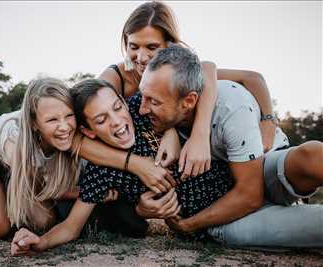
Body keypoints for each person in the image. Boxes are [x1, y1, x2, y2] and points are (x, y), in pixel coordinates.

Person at [10, 78, 234, 256]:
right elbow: (71, 227)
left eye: (117, 107)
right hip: (213, 224)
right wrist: (40, 242)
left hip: (237, 181)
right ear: (88, 132)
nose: (117, 121)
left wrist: (170, 131)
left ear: (124, 101)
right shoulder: (100, 173)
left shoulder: (140, 108)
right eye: (101, 120)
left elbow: (195, 79)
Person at [138, 44, 323, 247]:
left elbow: (250, 195)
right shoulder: (161, 98)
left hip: (262, 166)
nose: (142, 109)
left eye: (153, 102)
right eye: (143, 96)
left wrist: (189, 224)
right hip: (226, 202)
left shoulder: (231, 107)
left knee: (311, 156)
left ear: (188, 101)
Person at [98, 1, 277, 180]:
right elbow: (79, 135)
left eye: (152, 47)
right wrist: (136, 163)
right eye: (134, 46)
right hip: (127, 166)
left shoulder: (178, 74)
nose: (142, 58)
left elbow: (252, 78)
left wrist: (268, 121)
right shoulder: (116, 77)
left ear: (170, 47)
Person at [0, 77, 117, 240]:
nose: (64, 127)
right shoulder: (14, 137)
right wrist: (91, 192)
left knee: (44, 222)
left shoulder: (73, 133)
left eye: (69, 116)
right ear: (34, 123)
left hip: (19, 170)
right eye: (52, 120)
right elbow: (43, 187)